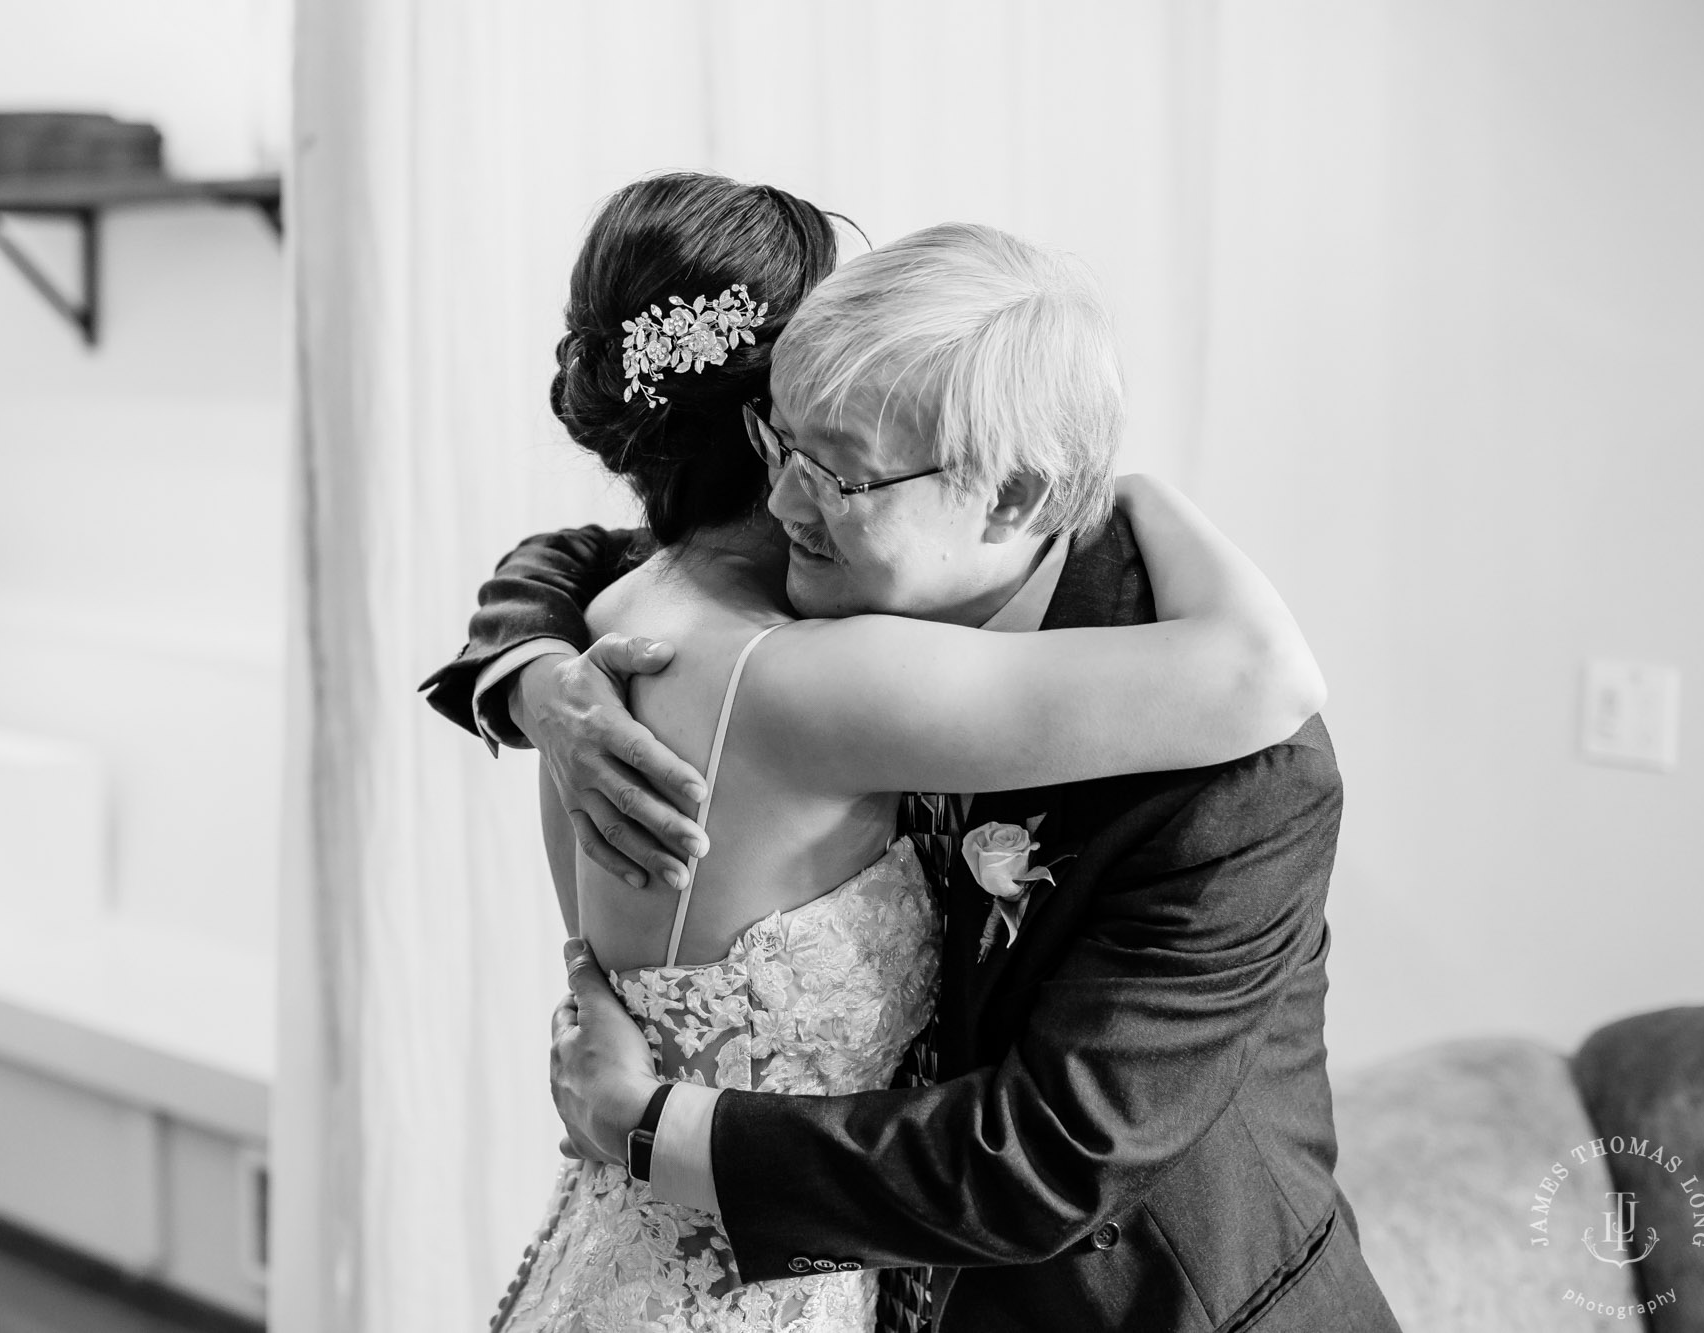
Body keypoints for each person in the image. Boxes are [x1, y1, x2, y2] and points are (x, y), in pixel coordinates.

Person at [424, 182, 1398, 1331]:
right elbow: (593, 553)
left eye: (831, 471)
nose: (781, 497)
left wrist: (646, 1126)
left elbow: (1045, 1157)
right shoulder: (820, 594)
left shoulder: (1236, 780)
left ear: (1017, 495)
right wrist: (528, 671)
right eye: (773, 442)